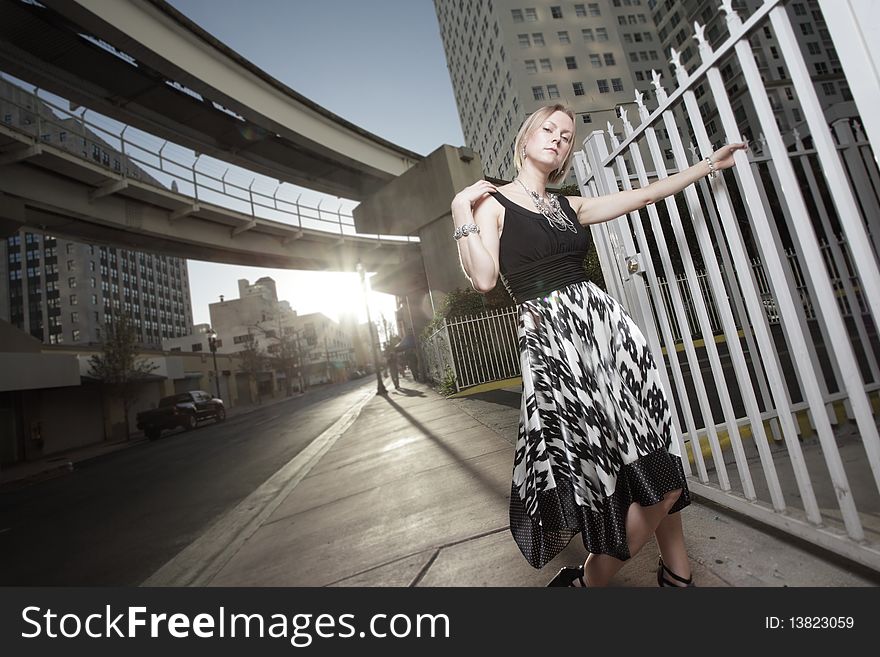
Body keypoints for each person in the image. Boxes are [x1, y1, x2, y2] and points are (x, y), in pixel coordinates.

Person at [451, 104, 745, 587]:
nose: (558, 139)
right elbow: (483, 277)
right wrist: (462, 208)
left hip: (609, 338)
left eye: (566, 137)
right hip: (556, 347)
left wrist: (707, 166)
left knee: (650, 449)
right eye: (548, 129)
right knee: (617, 462)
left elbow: (644, 194)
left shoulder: (571, 206)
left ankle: (674, 571)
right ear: (526, 137)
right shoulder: (492, 204)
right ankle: (599, 578)